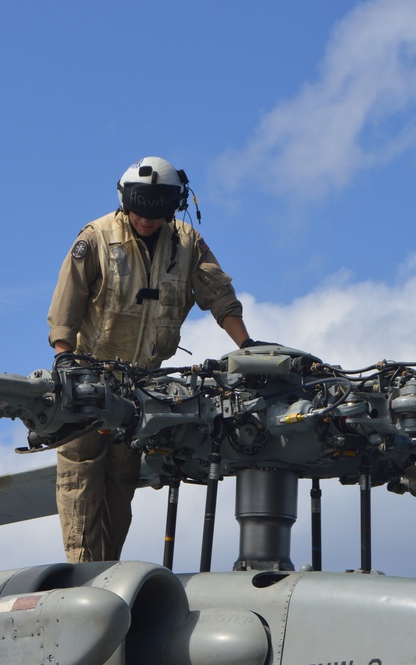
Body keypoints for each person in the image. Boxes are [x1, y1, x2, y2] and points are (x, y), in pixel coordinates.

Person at [47, 155, 260, 563]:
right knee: (81, 471)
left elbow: (219, 296)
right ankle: (81, 570)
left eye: (156, 214)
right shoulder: (96, 238)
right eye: (140, 212)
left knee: (122, 477)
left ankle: (107, 567)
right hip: (89, 376)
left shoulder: (187, 243)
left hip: (142, 385)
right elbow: (67, 301)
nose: (146, 221)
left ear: (172, 208)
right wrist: (64, 357)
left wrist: (246, 346)